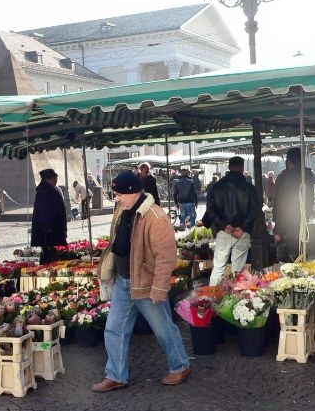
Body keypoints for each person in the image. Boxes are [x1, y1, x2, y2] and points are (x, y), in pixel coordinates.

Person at [92, 170, 190, 392]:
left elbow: (166, 257)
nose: (115, 198)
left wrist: (159, 289)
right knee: (114, 329)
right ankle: (115, 375)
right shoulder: (122, 209)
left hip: (146, 284)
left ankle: (180, 366)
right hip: (124, 282)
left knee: (164, 329)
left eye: (119, 194)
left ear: (133, 193)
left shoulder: (155, 218)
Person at [201, 156, 259, 286]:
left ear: (229, 167)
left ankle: (211, 298)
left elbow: (210, 210)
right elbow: (255, 209)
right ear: (242, 167)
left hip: (223, 232)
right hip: (242, 233)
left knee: (218, 268)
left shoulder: (217, 186)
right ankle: (235, 298)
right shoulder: (248, 187)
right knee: (238, 271)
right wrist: (242, 227)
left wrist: (224, 225)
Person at [273, 147, 314, 260]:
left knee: (290, 258)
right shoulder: (307, 174)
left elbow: (279, 203)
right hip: (303, 220)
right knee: (302, 253)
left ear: (289, 161)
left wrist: (278, 227)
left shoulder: (284, 177)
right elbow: (311, 199)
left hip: (287, 223)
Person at [31, 169, 67, 263]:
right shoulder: (45, 192)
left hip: (51, 229)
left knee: (51, 255)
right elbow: (45, 212)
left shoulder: (48, 190)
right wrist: (48, 227)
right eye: (55, 178)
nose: (56, 180)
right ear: (50, 179)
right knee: (48, 256)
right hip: (48, 231)